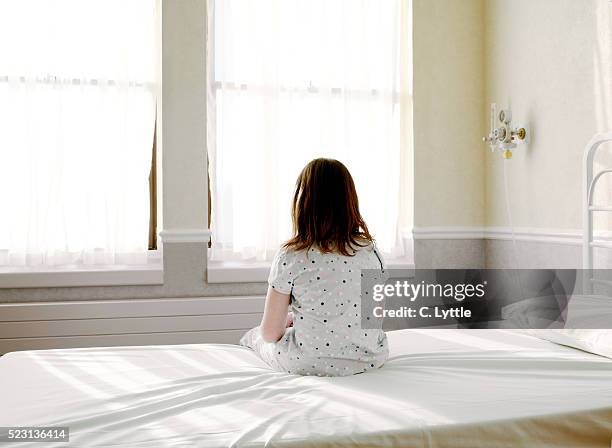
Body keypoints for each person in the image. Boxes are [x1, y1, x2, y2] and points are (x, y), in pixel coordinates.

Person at [240, 158, 388, 376]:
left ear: (303, 203)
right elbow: (372, 319)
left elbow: (271, 333)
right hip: (367, 360)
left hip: (307, 363)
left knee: (255, 337)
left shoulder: (291, 256)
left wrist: (290, 322)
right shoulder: (370, 252)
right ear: (350, 201)